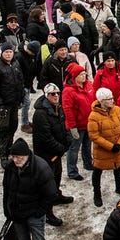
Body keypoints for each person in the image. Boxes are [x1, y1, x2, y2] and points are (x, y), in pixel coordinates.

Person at [2, 138, 56, 240]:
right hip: (17, 215)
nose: (16, 160)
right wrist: (7, 209)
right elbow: (7, 188)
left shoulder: (40, 168)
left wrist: (40, 212)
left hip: (34, 215)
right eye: (14, 157)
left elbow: (51, 194)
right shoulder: (11, 167)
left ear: (27, 156)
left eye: (19, 157)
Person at [31, 82, 72, 227]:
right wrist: (61, 148)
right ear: (46, 95)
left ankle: (56, 195)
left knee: (57, 176)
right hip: (46, 156)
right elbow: (45, 138)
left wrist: (68, 140)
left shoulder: (58, 108)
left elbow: (64, 125)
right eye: (52, 94)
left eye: (57, 93)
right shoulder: (40, 114)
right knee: (47, 184)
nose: (56, 96)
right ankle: (48, 212)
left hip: (57, 152)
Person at [88, 87, 120, 207]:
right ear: (101, 101)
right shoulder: (93, 116)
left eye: (112, 97)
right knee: (97, 171)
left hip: (117, 147)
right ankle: (97, 193)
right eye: (109, 99)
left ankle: (119, 187)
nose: (112, 100)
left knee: (117, 168)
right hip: (103, 151)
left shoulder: (117, 110)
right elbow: (94, 135)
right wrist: (110, 146)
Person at [0, 43, 24, 165]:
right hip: (3, 105)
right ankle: (3, 154)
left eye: (10, 52)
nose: (9, 54)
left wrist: (21, 97)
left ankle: (9, 148)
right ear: (2, 53)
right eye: (6, 52)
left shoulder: (15, 63)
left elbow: (20, 81)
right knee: (4, 129)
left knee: (13, 126)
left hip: (14, 103)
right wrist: (0, 105)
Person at [62, 62, 94, 181]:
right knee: (74, 148)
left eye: (84, 73)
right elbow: (68, 110)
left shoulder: (88, 85)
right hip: (77, 125)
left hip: (89, 122)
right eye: (81, 74)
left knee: (87, 145)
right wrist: (72, 126)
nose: (84, 76)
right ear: (74, 77)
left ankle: (88, 163)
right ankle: (72, 171)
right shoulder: (68, 91)